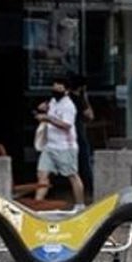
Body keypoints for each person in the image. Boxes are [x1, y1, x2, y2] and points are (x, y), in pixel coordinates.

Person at [33, 75, 84, 208]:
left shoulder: (69, 106)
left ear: (66, 91)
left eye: (59, 89)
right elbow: (45, 108)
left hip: (65, 147)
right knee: (42, 174)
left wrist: (48, 118)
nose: (55, 91)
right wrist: (42, 109)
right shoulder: (53, 101)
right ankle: (37, 205)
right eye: (54, 88)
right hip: (50, 146)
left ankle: (80, 204)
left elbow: (66, 125)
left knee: (72, 175)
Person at [68, 74, 96, 200]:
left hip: (66, 137)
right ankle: (90, 188)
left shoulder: (65, 98)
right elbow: (89, 115)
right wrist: (85, 99)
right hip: (77, 133)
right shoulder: (78, 99)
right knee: (85, 162)